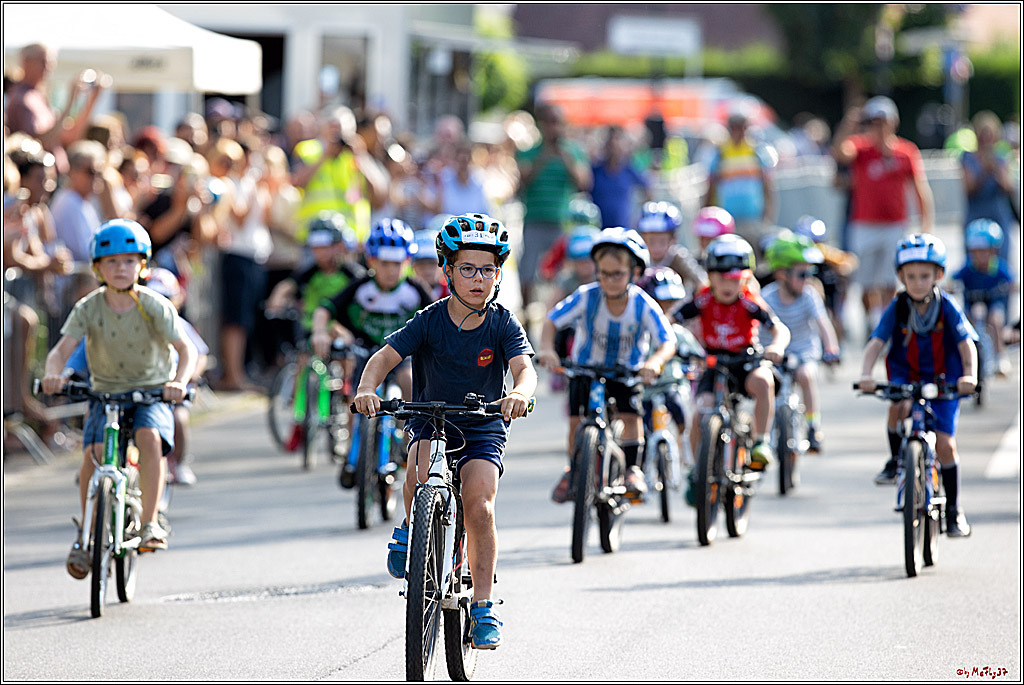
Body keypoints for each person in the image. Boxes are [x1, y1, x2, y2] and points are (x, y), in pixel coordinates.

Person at [352, 213, 536, 649]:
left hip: (483, 426)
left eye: (487, 269)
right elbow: (383, 357)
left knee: (480, 505)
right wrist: (366, 388)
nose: (478, 278)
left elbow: (524, 370)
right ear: (448, 271)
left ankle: (485, 607)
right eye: (467, 269)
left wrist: (521, 394)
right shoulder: (429, 320)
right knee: (417, 467)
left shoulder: (502, 322)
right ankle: (410, 526)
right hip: (432, 418)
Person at [40, 219, 197, 576]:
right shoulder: (89, 307)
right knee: (93, 455)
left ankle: (150, 522)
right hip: (105, 392)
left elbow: (185, 349)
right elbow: (61, 349)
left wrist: (179, 381)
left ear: (142, 265)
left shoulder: (155, 304)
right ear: (97, 267)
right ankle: (86, 535)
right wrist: (53, 374)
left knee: (149, 439)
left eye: (129, 261)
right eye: (111, 262)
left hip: (150, 392)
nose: (121, 268)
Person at [538, 227, 676, 502]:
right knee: (576, 421)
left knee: (631, 414)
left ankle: (632, 469)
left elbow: (667, 341)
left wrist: (654, 362)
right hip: (586, 368)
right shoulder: (587, 296)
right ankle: (575, 467)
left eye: (617, 274)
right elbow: (552, 320)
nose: (609, 281)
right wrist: (546, 349)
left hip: (626, 371)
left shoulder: (643, 304)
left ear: (635, 273)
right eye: (603, 273)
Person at [858, 234, 977, 537]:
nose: (918, 282)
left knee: (946, 444)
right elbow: (876, 342)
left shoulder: (947, 306)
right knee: (897, 406)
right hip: (906, 373)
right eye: (911, 276)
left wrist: (969, 376)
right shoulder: (897, 307)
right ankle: (898, 460)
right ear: (900, 277)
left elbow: (966, 344)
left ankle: (953, 510)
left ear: (938, 275)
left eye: (925, 276)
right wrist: (866, 374)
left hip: (945, 378)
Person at [311, 218, 431, 482]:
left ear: (407, 263)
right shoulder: (360, 287)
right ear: (372, 261)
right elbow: (325, 309)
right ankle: (353, 454)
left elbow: (438, 318)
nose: (391, 270)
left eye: (397, 264)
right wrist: (320, 331)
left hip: (401, 356)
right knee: (358, 400)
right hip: (367, 355)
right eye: (384, 263)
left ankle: (405, 440)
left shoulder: (414, 291)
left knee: (409, 382)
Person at [678, 234, 790, 478]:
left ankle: (760, 441)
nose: (727, 284)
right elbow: (671, 320)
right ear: (709, 276)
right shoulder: (703, 299)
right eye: (720, 277)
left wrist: (777, 347)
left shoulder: (749, 303)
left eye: (735, 278)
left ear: (746, 278)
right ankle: (699, 471)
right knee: (700, 413)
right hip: (713, 362)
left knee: (764, 381)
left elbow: (778, 328)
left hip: (745, 360)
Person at [830, 96, 934, 333]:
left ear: (892, 123)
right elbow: (838, 152)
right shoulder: (860, 147)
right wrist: (848, 123)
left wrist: (926, 224)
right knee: (863, 282)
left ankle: (886, 324)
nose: (877, 128)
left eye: (881, 122)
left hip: (895, 224)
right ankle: (871, 319)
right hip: (864, 224)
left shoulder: (905, 151)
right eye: (873, 122)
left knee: (891, 280)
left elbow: (919, 189)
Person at [761, 230, 841, 453]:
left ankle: (813, 426)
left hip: (804, 350)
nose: (808, 280)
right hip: (773, 352)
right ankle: (763, 436)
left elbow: (823, 324)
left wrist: (832, 348)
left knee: (806, 376)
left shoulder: (809, 295)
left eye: (810, 273)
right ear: (781, 274)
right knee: (765, 385)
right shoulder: (767, 297)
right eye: (801, 274)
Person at [516, 104, 592, 305]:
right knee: (528, 272)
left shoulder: (573, 151)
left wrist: (564, 157)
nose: (553, 128)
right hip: (534, 219)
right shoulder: (529, 152)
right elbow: (523, 180)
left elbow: (584, 182)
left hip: (562, 222)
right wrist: (544, 156)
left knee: (564, 273)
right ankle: (527, 313)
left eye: (556, 123)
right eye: (549, 123)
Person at [703, 111, 776, 260]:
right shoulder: (720, 153)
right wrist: (706, 210)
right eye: (735, 128)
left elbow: (767, 185)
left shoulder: (756, 151)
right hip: (727, 220)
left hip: (753, 218)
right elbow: (711, 184)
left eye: (741, 128)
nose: (739, 132)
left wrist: (768, 214)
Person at [951, 219, 1015, 378]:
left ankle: (1000, 357)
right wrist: (950, 286)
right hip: (971, 304)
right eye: (976, 251)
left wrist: (1012, 287)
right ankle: (962, 357)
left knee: (996, 319)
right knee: (963, 321)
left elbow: (1012, 280)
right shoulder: (968, 267)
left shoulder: (998, 267)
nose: (980, 256)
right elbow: (953, 279)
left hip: (993, 303)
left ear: (994, 251)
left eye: (984, 251)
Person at [961, 110, 1018, 268]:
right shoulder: (967, 157)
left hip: (998, 215)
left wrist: (997, 170)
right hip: (976, 214)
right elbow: (968, 188)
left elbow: (1008, 187)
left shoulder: (1001, 157)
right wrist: (984, 170)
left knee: (1002, 262)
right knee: (973, 264)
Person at [637, 201, 707, 294]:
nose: (656, 247)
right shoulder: (638, 258)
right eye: (651, 241)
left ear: (673, 240)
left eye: (662, 242)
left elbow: (701, 281)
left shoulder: (678, 258)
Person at [589, 125, 651, 229]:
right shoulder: (596, 170)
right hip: (599, 229)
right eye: (611, 141)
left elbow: (647, 188)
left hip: (623, 230)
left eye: (617, 140)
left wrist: (641, 218)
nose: (614, 145)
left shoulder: (629, 168)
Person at [410, 228, 449, 302]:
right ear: (412, 266)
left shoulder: (451, 292)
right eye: (421, 265)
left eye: (432, 264)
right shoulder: (407, 294)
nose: (427, 271)